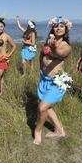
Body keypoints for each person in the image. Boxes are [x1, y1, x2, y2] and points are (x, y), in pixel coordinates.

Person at [33, 17, 73, 145]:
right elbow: (41, 55)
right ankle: (59, 130)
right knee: (47, 106)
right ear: (52, 28)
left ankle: (37, 131)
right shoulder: (47, 43)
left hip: (57, 81)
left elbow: (59, 54)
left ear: (66, 29)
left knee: (42, 107)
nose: (58, 28)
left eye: (62, 26)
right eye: (56, 26)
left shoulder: (66, 46)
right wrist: (41, 69)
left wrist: (54, 47)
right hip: (44, 79)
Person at [0, 18, 16, 97]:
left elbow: (14, 46)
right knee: (0, 77)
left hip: (3, 60)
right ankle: (2, 92)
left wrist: (9, 54)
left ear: (4, 27)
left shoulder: (6, 36)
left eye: (1, 26)